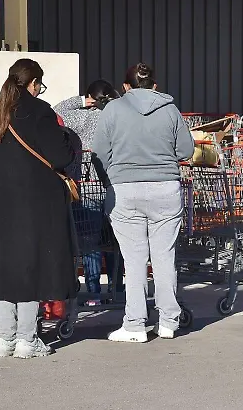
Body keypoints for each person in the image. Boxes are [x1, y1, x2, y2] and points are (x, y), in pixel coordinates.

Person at [0, 58, 77, 358]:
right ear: (33, 82)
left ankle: (4, 338)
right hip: (34, 200)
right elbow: (60, 157)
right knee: (31, 265)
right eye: (40, 84)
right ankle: (27, 339)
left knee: (5, 266)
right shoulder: (38, 110)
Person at [93, 63, 194, 342]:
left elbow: (99, 153)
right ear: (155, 86)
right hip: (166, 189)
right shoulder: (170, 109)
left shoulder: (112, 110)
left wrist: (110, 182)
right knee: (164, 257)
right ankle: (168, 322)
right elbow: (186, 149)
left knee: (134, 259)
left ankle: (135, 323)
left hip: (125, 190)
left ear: (125, 87)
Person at [54, 80, 122, 306]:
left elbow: (57, 111)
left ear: (91, 98)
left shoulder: (79, 118)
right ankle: (117, 287)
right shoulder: (114, 118)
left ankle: (94, 293)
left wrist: (80, 101)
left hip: (87, 185)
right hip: (112, 183)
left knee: (90, 241)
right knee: (115, 239)